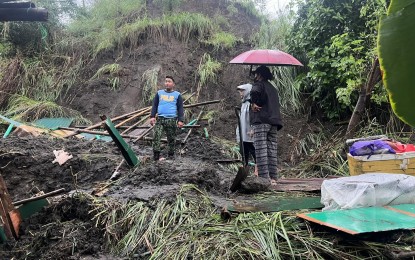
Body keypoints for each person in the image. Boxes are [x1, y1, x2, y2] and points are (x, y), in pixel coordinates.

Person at [249, 65, 283, 183]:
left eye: (256, 74)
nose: (254, 76)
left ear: (260, 75)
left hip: (261, 121)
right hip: (273, 122)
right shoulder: (273, 88)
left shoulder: (259, 84)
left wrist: (253, 103)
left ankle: (264, 179)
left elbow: (254, 91)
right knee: (271, 150)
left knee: (261, 150)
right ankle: (273, 177)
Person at [150, 75, 184, 161]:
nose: (167, 83)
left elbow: (180, 108)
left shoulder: (177, 95)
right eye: (166, 81)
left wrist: (180, 120)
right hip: (160, 119)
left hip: (171, 119)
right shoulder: (159, 93)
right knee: (156, 136)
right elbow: (155, 105)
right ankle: (156, 155)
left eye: (169, 81)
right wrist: (152, 116)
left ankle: (171, 154)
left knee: (171, 138)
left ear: (173, 84)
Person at [236, 83, 258, 176]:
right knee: (244, 152)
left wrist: (253, 129)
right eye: (240, 91)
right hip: (243, 133)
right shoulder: (243, 104)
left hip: (249, 133)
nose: (241, 93)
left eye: (243, 91)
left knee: (254, 151)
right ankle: (245, 170)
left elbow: (254, 118)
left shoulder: (251, 104)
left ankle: (257, 170)